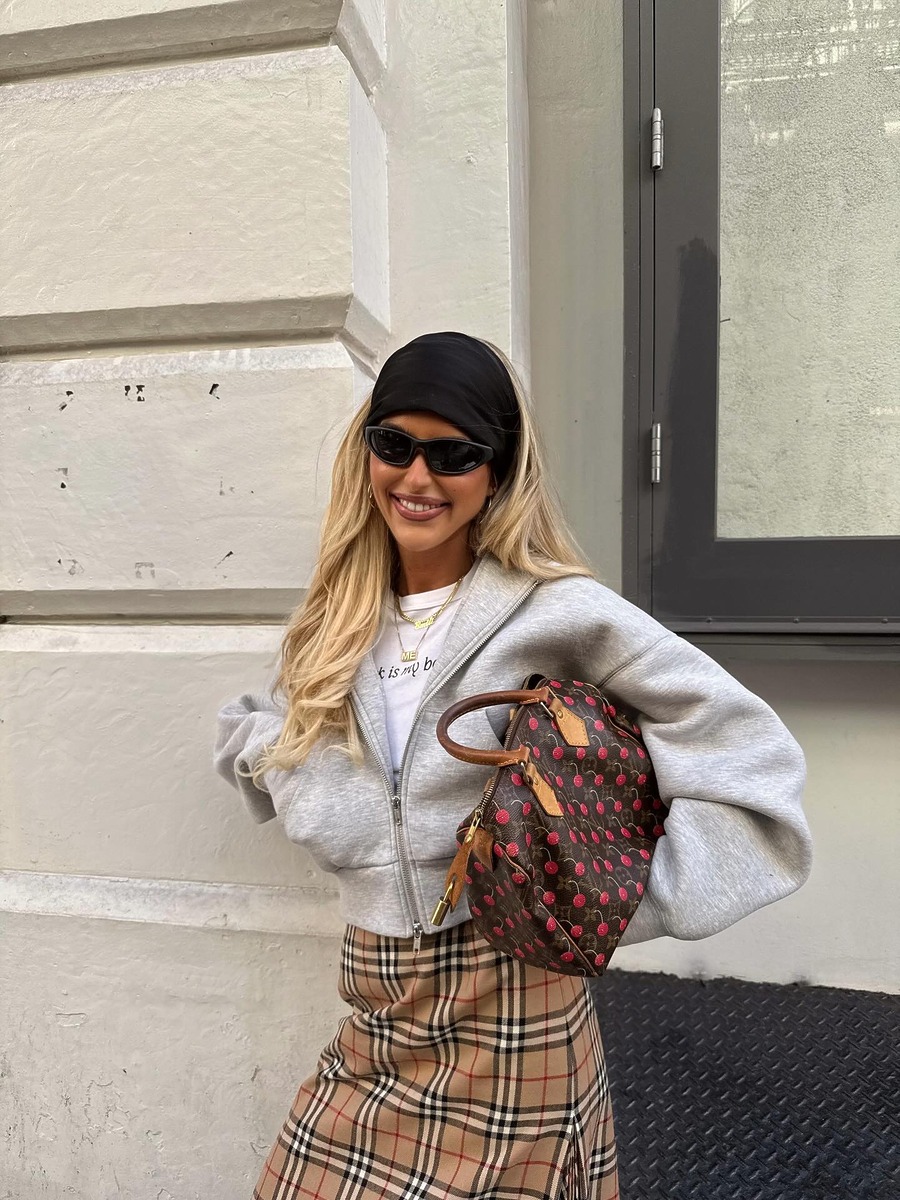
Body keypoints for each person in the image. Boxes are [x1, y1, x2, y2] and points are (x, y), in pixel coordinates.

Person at [214, 331, 812, 1200]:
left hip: (512, 998)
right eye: (395, 444)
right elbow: (268, 725)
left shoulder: (556, 612)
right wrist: (291, 778)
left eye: (454, 454)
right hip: (378, 1002)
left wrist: (619, 901)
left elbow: (744, 748)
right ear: (366, 452)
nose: (418, 477)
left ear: (496, 472)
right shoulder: (339, 616)